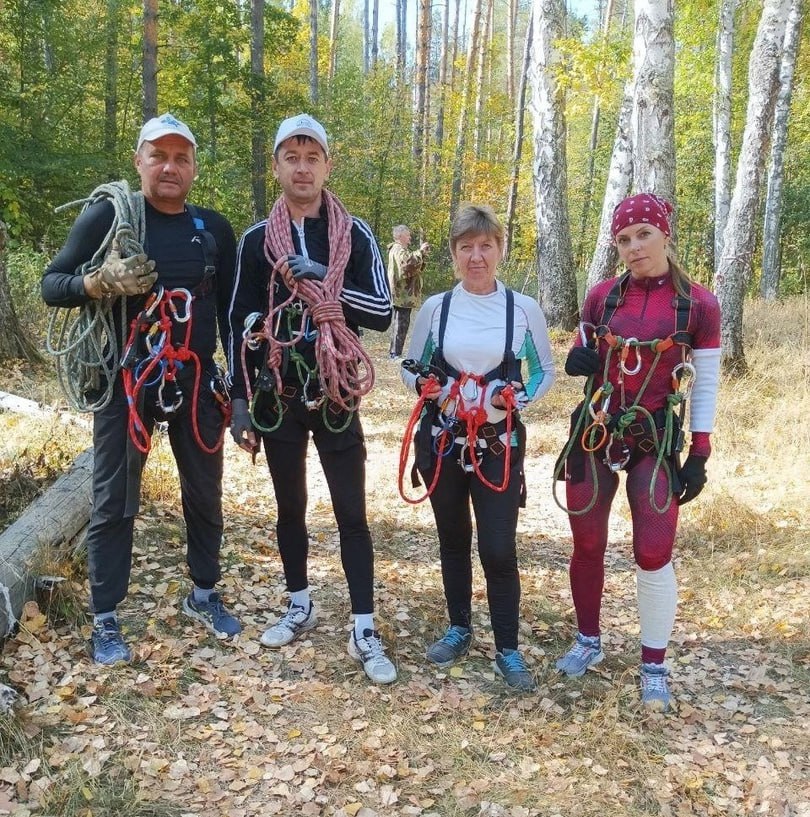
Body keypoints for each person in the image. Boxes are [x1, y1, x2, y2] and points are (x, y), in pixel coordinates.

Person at [42, 113, 240, 665]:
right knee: (114, 498)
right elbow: (52, 284)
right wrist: (96, 281)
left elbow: (226, 314)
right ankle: (105, 618)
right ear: (139, 162)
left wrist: (239, 393)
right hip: (124, 379)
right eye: (159, 156)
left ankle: (204, 592)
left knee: (204, 492)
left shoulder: (213, 229)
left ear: (195, 167)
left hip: (194, 380)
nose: (170, 167)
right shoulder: (109, 216)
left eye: (181, 157)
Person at [227, 114, 397, 684]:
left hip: (335, 392)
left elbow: (378, 312)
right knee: (289, 508)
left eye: (312, 157)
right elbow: (235, 323)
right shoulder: (255, 242)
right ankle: (298, 602)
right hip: (279, 393)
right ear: (276, 166)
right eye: (291, 157)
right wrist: (241, 403)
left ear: (328, 165)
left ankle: (364, 625)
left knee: (352, 511)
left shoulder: (356, 235)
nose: (302, 168)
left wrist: (326, 278)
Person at [554, 193, 721, 711]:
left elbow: (707, 381)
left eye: (643, 235)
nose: (633, 247)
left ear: (665, 234)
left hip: (653, 439)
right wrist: (576, 359)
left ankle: (653, 664)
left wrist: (700, 452)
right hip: (597, 433)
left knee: (653, 551)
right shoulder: (601, 297)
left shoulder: (698, 304)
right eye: (623, 239)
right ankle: (588, 641)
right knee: (587, 543)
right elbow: (583, 350)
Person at [400, 204, 555, 692]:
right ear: (453, 254)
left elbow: (544, 369)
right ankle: (459, 627)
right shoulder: (436, 309)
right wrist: (435, 390)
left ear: (500, 250)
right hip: (445, 441)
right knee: (452, 537)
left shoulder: (522, 309)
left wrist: (513, 400)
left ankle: (508, 648)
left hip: (497, 444)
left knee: (497, 546)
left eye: (486, 245)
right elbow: (409, 363)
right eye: (466, 247)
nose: (476, 256)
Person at [388, 225, 429, 359]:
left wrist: (422, 254)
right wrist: (420, 251)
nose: (410, 237)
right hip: (402, 294)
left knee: (400, 323)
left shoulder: (401, 250)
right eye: (408, 235)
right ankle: (395, 353)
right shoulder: (398, 249)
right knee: (401, 324)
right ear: (400, 236)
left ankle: (395, 352)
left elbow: (415, 268)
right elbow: (406, 265)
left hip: (403, 294)